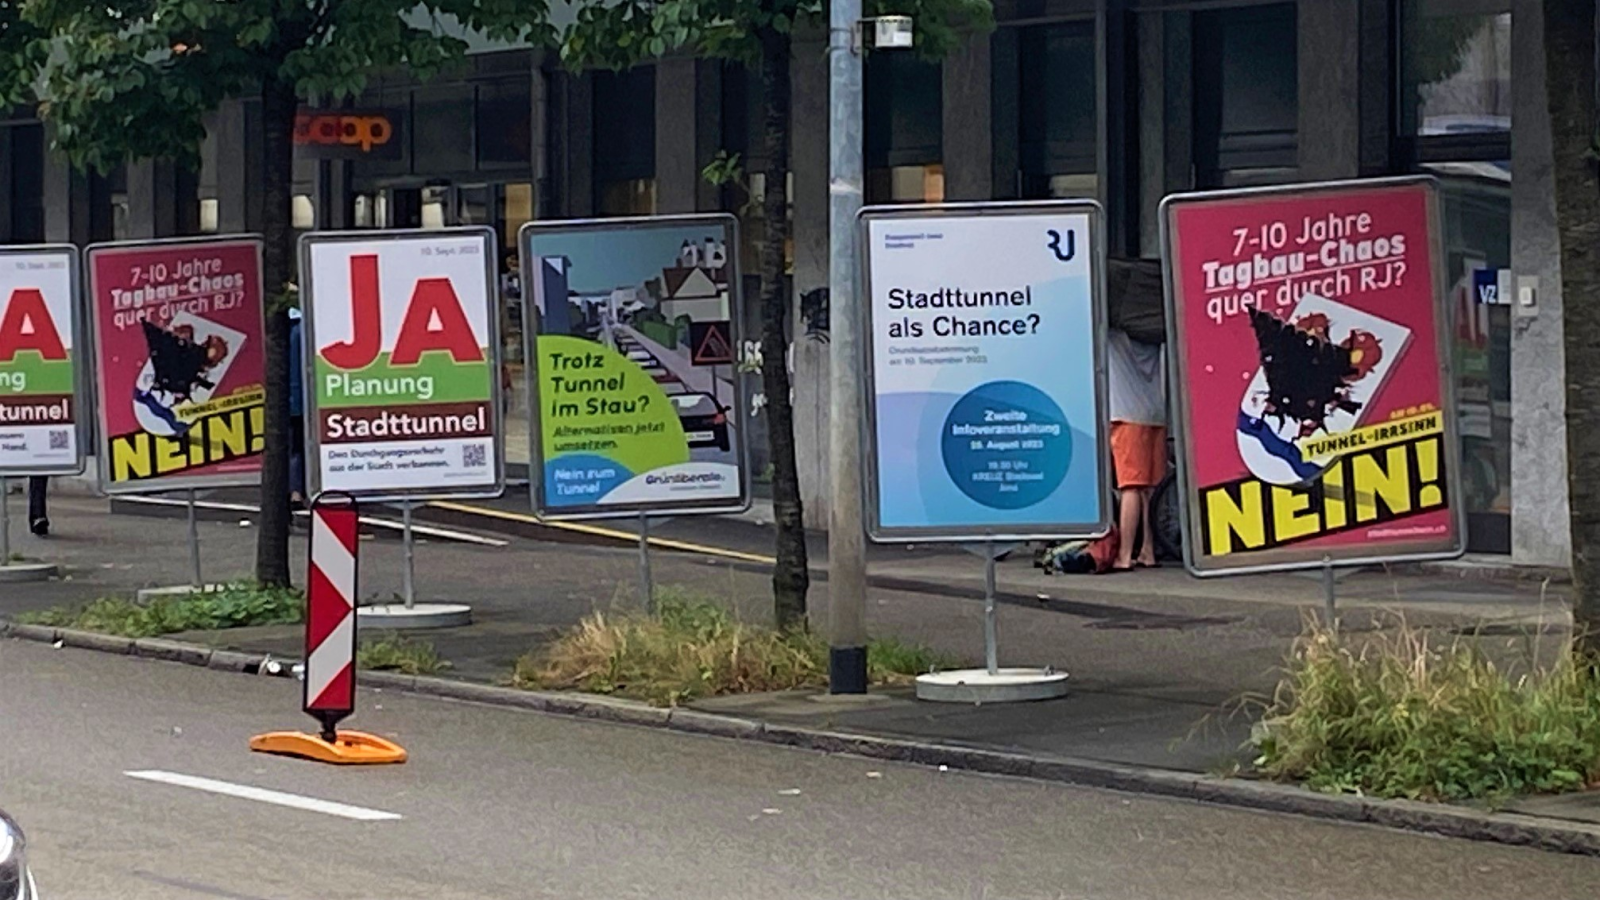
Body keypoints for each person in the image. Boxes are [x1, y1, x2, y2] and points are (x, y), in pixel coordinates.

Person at [1107, 326, 1166, 571]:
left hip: (1126, 415)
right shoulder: (1154, 338)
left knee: (1130, 486)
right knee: (1151, 489)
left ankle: (1124, 554)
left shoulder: (1112, 336)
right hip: (1157, 413)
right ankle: (1149, 550)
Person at [287, 307, 305, 508]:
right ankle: (297, 491)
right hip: (303, 398)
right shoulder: (304, 328)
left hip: (283, 400)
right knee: (298, 447)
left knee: (290, 448)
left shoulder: (276, 328)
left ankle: (293, 491)